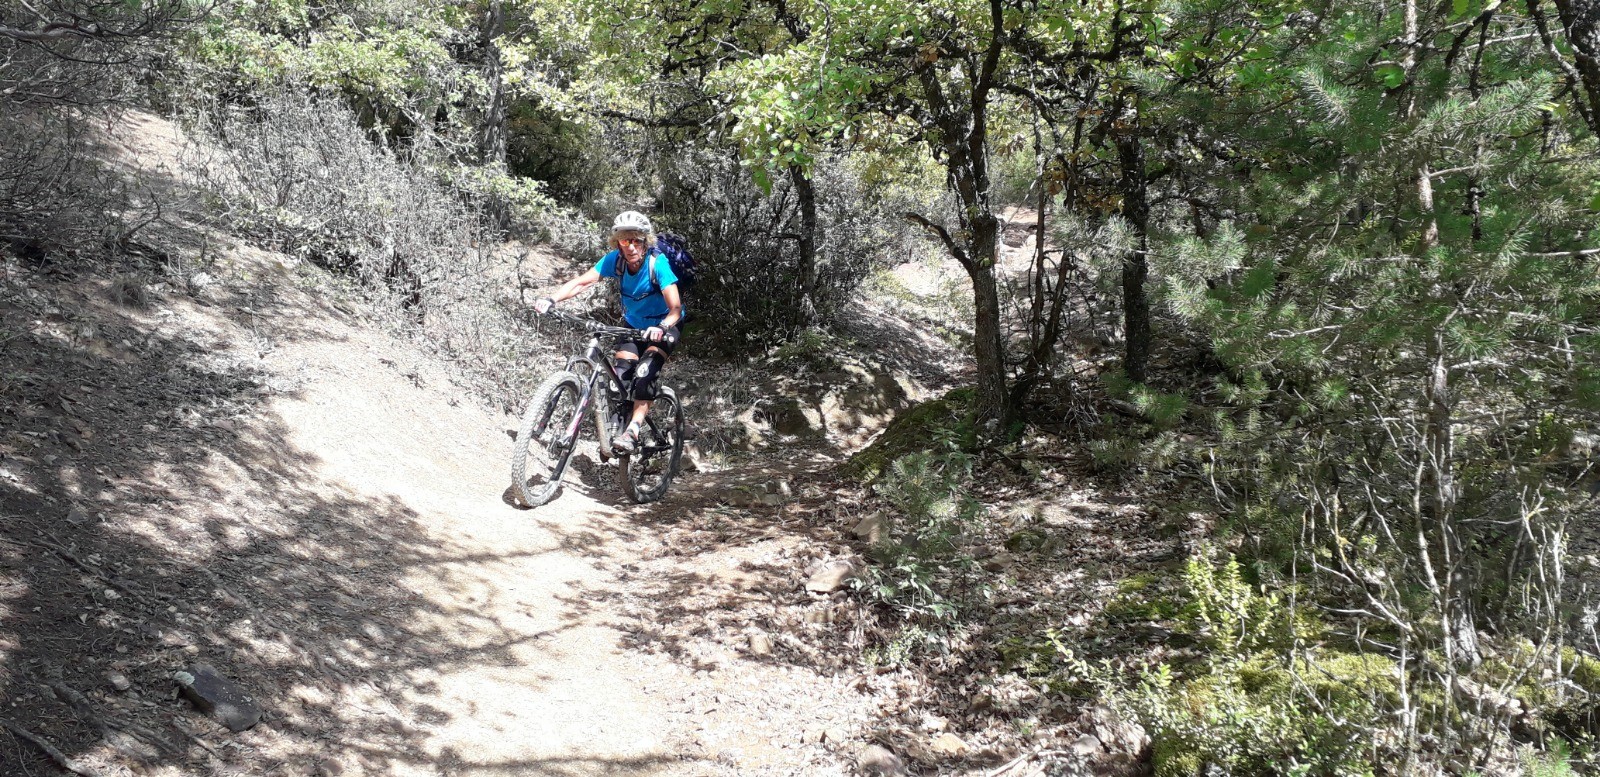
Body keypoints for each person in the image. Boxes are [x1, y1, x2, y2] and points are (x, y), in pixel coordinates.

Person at [533, 211, 683, 454]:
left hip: (664, 326)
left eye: (636, 240)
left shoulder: (658, 264)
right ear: (618, 243)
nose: (631, 246)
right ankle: (616, 428)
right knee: (620, 377)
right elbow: (582, 282)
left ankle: (633, 431)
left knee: (645, 374)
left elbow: (675, 308)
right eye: (625, 240)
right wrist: (551, 299)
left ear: (645, 242)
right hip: (633, 325)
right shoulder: (616, 260)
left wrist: (662, 327)